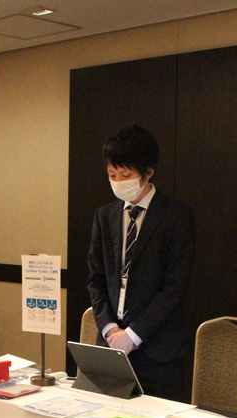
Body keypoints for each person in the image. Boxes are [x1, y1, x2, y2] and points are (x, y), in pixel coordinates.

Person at [86, 125, 196, 402]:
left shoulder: (176, 217)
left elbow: (174, 288)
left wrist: (133, 335)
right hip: (110, 347)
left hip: (157, 351)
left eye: (126, 175)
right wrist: (110, 329)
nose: (118, 181)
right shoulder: (105, 216)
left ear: (148, 172)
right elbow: (95, 280)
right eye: (112, 174)